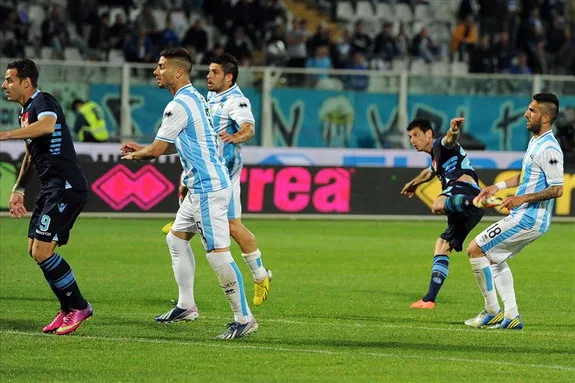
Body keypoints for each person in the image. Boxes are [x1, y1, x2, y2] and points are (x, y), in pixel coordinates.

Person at [120, 47, 257, 339]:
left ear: (177, 72)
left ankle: (244, 318)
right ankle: (186, 305)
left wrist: (139, 154)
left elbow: (157, 150)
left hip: (208, 187)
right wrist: (144, 148)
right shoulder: (195, 98)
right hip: (200, 186)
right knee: (176, 238)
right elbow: (174, 144)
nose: (156, 71)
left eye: (160, 66)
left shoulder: (179, 105)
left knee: (218, 255)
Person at [162, 53, 272, 307]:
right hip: (205, 174)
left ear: (229, 76)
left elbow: (248, 128)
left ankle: (260, 276)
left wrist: (237, 137)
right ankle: (185, 303)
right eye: (209, 71)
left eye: (214, 72)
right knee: (181, 236)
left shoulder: (236, 101)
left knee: (233, 227)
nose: (208, 76)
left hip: (225, 175)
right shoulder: (209, 98)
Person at [0, 59, 92, 335]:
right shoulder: (26, 113)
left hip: (66, 186)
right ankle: (66, 309)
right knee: (35, 250)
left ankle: (78, 306)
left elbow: (48, 127)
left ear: (25, 83)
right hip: (50, 187)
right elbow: (32, 153)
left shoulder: (43, 102)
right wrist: (19, 188)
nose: (5, 85)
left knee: (42, 251)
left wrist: (7, 134)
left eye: (9, 80)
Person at [465, 93, 564, 330]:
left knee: (475, 250)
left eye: (532, 110)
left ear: (545, 117)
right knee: (493, 257)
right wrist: (496, 186)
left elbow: (558, 189)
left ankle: (492, 311)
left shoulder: (550, 148)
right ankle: (511, 317)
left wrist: (521, 198)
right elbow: (526, 176)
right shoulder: (536, 142)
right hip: (524, 216)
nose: (525, 114)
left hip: (530, 218)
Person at [401, 117, 501, 309]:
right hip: (466, 208)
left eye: (416, 135)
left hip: (465, 191)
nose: (412, 140)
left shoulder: (441, 144)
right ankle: (429, 299)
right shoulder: (437, 158)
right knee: (442, 245)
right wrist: (412, 185)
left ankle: (477, 200)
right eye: (410, 136)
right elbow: (427, 173)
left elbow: (450, 139)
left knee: (437, 204)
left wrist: (454, 129)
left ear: (429, 134)